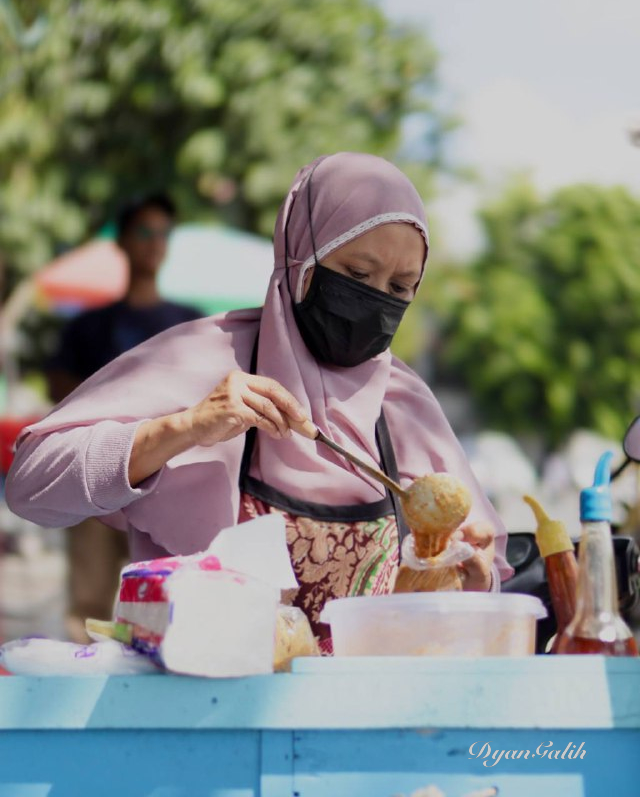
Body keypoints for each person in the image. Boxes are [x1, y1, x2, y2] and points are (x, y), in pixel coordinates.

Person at [7, 153, 513, 651]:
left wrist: (472, 576)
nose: (376, 301)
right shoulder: (203, 359)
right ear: (301, 258)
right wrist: (185, 428)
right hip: (203, 714)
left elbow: (486, 595)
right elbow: (30, 487)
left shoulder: (405, 409)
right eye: (358, 275)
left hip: (364, 719)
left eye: (400, 287)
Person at [45, 192, 203, 641]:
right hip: (93, 481)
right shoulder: (86, 327)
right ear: (122, 242)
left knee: (164, 607)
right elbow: (61, 395)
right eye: (144, 232)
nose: (155, 243)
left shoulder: (188, 324)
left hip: (168, 483)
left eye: (163, 233)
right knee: (88, 608)